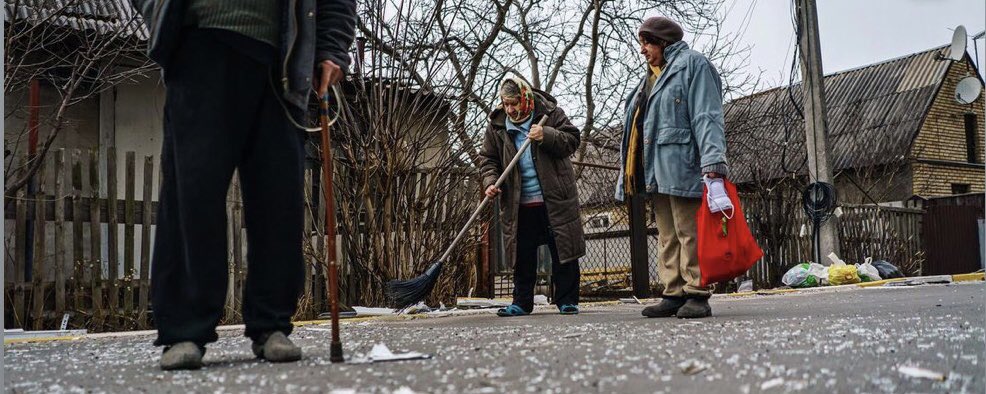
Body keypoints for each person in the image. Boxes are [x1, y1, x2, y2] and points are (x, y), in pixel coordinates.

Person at [130, 0, 357, 370]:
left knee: (278, 198)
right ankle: (185, 331)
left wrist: (332, 48)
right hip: (199, 47)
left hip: (280, 60)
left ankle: (272, 325)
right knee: (193, 193)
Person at [614, 17, 729, 319]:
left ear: (664, 43)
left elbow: (707, 116)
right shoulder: (651, 77)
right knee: (667, 233)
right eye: (642, 43)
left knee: (688, 230)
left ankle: (697, 293)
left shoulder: (694, 65)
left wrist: (713, 161)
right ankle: (673, 292)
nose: (643, 50)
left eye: (647, 43)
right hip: (656, 168)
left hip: (684, 163)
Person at [479, 76, 586, 317]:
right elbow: (488, 159)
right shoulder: (497, 125)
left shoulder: (550, 113)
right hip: (519, 201)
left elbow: (572, 140)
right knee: (523, 253)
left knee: (563, 251)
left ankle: (567, 301)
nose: (510, 109)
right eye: (506, 104)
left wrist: (546, 135)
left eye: (514, 103)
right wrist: (490, 181)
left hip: (555, 198)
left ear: (525, 99)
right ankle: (521, 302)